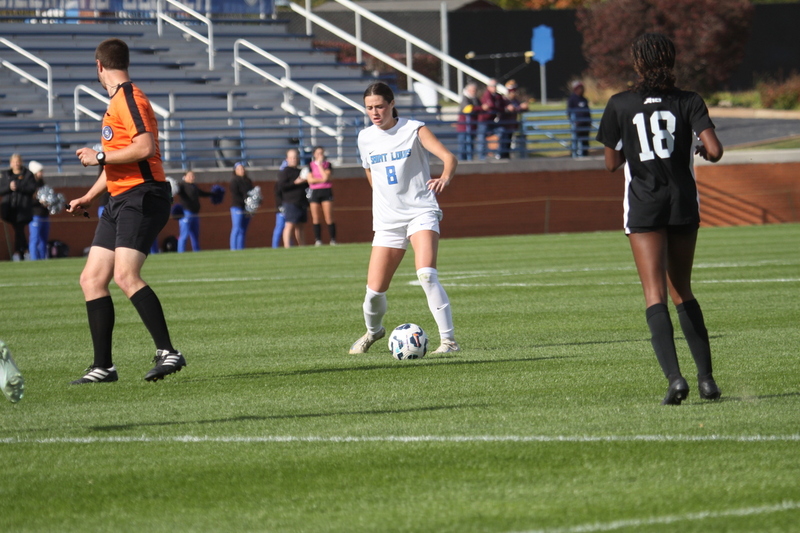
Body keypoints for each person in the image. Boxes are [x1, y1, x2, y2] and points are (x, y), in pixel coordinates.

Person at [596, 33, 723, 405]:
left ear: (637, 63)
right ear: (670, 61)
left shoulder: (620, 103)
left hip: (644, 204)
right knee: (683, 289)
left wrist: (630, 151)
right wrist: (699, 148)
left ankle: (675, 380)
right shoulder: (689, 100)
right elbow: (714, 150)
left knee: (655, 294)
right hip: (683, 203)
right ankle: (707, 381)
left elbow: (610, 163)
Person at [66, 38, 184, 384]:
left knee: (125, 276)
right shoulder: (117, 101)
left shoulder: (129, 97)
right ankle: (103, 366)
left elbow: (144, 147)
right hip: (118, 199)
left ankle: (168, 351)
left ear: (99, 66)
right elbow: (119, 161)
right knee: (91, 279)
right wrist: (89, 196)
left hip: (142, 196)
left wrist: (98, 155)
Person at [350, 81, 459, 355]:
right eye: (369, 108)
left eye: (380, 107)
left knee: (426, 274)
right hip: (388, 222)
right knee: (373, 293)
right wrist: (385, 197)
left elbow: (449, 157)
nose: (375, 113)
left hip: (421, 211)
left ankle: (449, 342)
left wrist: (444, 177)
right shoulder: (365, 137)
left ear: (392, 104)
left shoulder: (414, 129)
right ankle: (373, 332)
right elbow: (369, 171)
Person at [0, 153, 37, 261]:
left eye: (18, 161)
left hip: (23, 208)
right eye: (14, 162)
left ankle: (19, 253)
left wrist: (19, 186)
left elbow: (31, 189)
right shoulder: (6, 175)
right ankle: (23, 252)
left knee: (19, 229)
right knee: (18, 230)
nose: (16, 164)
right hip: (10, 209)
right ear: (10, 163)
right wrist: (9, 187)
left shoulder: (28, 174)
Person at [277, 148, 308, 247]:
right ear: (287, 159)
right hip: (290, 201)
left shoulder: (300, 171)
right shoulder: (285, 172)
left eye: (295, 157)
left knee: (301, 226)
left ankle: (302, 245)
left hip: (301, 201)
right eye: (291, 157)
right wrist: (295, 182)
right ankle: (287, 246)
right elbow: (282, 186)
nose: (294, 159)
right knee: (289, 224)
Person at [306, 146, 337, 246]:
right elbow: (310, 180)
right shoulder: (309, 165)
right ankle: (318, 240)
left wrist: (319, 166)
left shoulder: (327, 165)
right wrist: (321, 180)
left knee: (329, 217)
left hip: (326, 191)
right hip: (315, 192)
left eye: (322, 153)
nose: (320, 155)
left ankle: (333, 239)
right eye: (318, 153)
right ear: (314, 154)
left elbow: (325, 177)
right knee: (316, 217)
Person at [176, 170, 213, 252]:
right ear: (184, 177)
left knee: (195, 235)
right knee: (184, 235)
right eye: (189, 175)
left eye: (193, 176)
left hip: (195, 213)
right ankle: (181, 253)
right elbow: (175, 191)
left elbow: (202, 193)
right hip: (186, 213)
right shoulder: (182, 186)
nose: (192, 177)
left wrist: (213, 194)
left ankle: (197, 252)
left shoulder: (194, 186)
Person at [476, 79, 508, 160]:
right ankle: (481, 157)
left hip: (492, 121)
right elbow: (491, 105)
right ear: (488, 87)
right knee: (481, 138)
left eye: (495, 86)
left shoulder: (497, 96)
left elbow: (501, 106)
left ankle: (499, 153)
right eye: (493, 86)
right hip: (483, 121)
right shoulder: (487, 95)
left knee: (502, 131)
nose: (494, 88)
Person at [500, 80, 529, 158]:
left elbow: (517, 108)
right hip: (505, 124)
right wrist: (519, 107)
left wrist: (524, 107)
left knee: (508, 141)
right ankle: (502, 156)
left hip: (512, 124)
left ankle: (506, 156)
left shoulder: (515, 100)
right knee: (504, 141)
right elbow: (506, 109)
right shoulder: (505, 100)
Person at [229, 161, 254, 250]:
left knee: (243, 230)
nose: (241, 170)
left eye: (242, 168)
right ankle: (233, 248)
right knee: (237, 228)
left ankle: (241, 248)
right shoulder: (234, 181)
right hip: (237, 206)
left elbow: (252, 193)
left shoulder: (248, 181)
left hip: (247, 208)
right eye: (239, 169)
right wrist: (246, 199)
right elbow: (236, 194)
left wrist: (254, 201)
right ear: (235, 171)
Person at [28, 161, 50, 260]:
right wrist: (39, 201)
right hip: (35, 215)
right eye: (39, 171)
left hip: (44, 214)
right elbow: (29, 200)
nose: (41, 173)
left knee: (43, 239)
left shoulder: (42, 183)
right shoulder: (30, 185)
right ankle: (34, 259)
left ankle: (42, 258)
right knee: (35, 238)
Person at [456, 82, 480, 161]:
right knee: (463, 146)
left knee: (470, 145)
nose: (474, 92)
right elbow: (468, 109)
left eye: (475, 90)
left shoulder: (475, 99)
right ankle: (462, 161)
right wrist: (480, 108)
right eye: (473, 90)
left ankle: (469, 160)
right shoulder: (465, 99)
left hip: (471, 126)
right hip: (464, 127)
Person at [567, 80, 592, 157]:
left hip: (585, 124)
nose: (582, 89)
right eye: (580, 88)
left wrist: (589, 121)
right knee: (575, 140)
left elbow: (587, 112)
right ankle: (573, 155)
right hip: (577, 124)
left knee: (585, 140)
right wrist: (573, 121)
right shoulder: (572, 99)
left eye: (582, 88)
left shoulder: (584, 99)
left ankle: (585, 155)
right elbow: (569, 112)